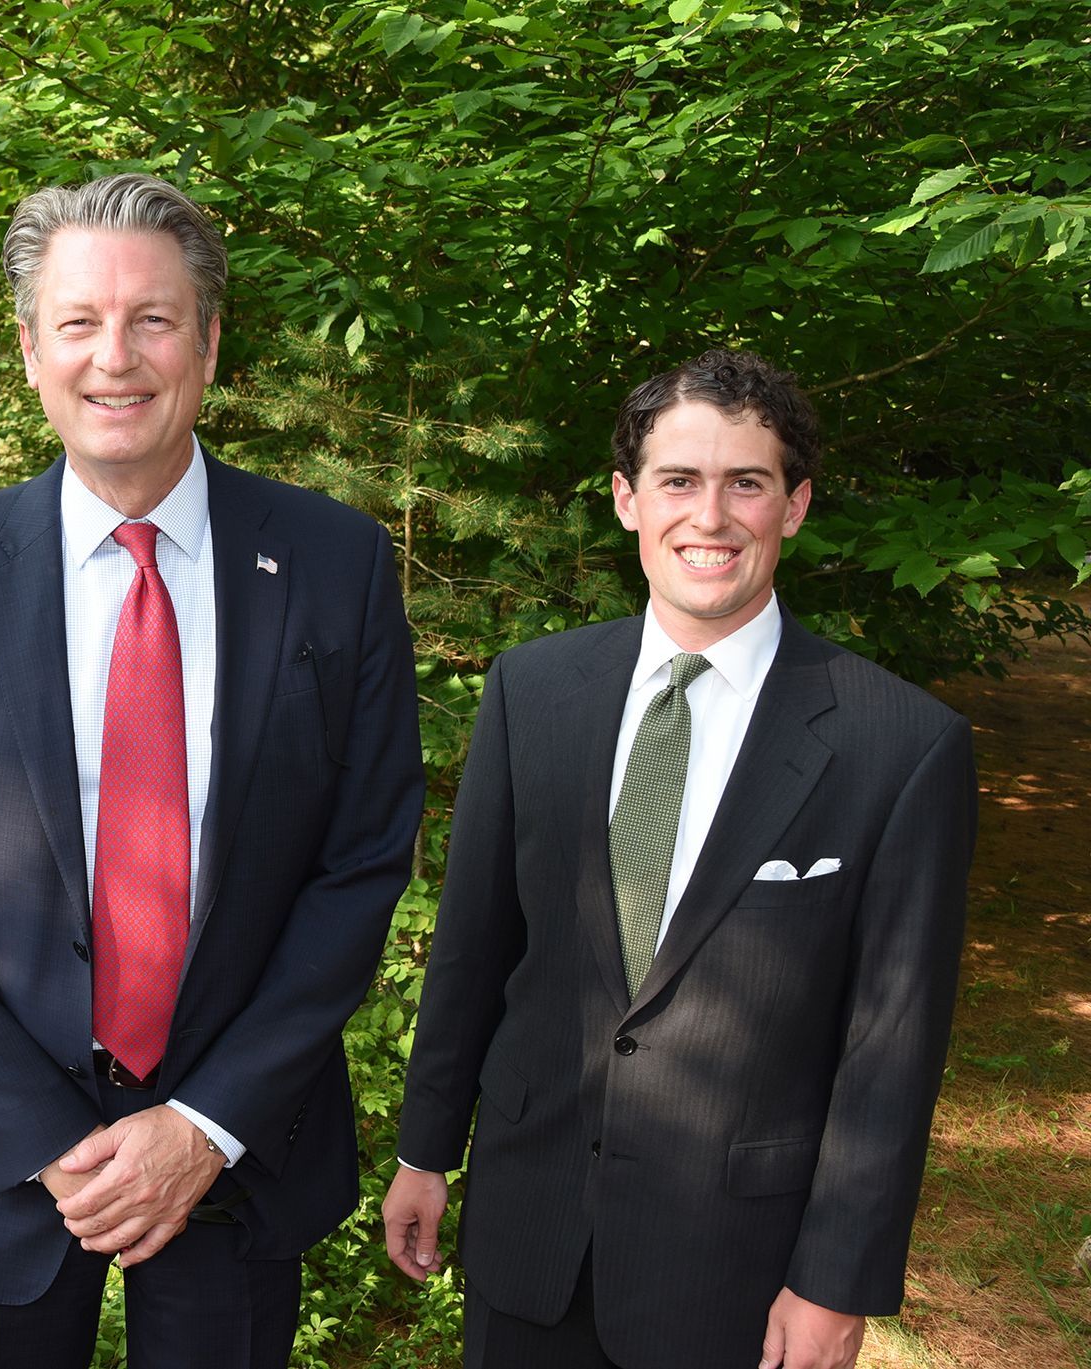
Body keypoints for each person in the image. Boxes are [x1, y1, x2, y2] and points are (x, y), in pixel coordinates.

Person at [0, 172, 424, 1367]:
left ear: (209, 342)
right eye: (80, 322)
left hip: (238, 1146)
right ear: (28, 347)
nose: (117, 356)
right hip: (0, 1162)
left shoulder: (335, 565)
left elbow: (361, 865)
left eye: (153, 318)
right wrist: (47, 1137)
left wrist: (205, 1125)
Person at [381, 348, 976, 1369]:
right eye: (678, 481)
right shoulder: (535, 692)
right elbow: (476, 948)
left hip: (734, 1273)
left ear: (793, 506)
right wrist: (426, 1148)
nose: (710, 516)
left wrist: (836, 1278)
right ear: (627, 500)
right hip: (532, 1238)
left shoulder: (900, 745)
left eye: (747, 482)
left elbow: (892, 1049)